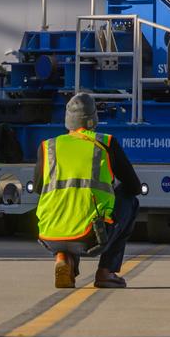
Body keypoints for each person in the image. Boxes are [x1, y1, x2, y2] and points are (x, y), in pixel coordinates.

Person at [36, 92, 142, 290]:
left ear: (67, 120)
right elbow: (134, 187)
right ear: (94, 119)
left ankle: (62, 258)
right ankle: (106, 272)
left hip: (49, 234)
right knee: (130, 200)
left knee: (64, 204)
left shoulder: (48, 146)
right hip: (94, 235)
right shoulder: (106, 143)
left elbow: (38, 188)